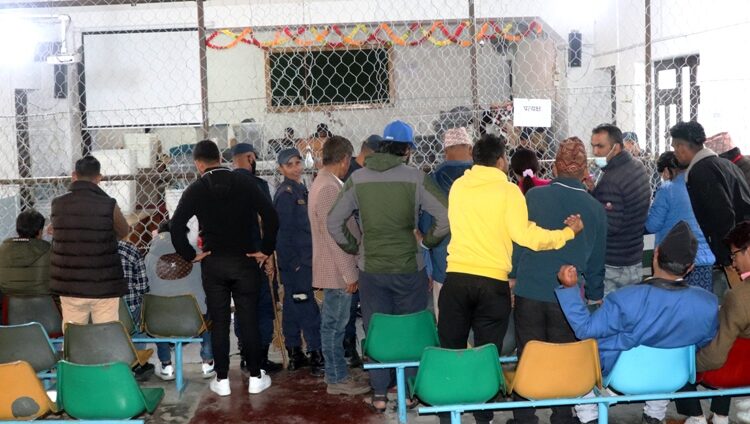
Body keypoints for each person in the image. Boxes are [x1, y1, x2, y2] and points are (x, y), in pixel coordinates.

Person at [437, 133, 582, 424]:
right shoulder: (508, 192)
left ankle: (446, 416)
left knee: (451, 351)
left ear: (475, 157)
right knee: (487, 352)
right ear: (502, 160)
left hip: (456, 280)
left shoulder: (458, 187)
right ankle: (484, 416)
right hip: (491, 284)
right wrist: (566, 234)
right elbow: (525, 236)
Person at [327, 120, 449, 412]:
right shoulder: (417, 178)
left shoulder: (358, 179)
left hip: (372, 270)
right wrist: (427, 241)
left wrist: (355, 247)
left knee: (377, 329)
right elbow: (446, 216)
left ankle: (380, 394)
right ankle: (408, 392)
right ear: (406, 150)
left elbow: (333, 221)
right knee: (411, 329)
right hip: (409, 268)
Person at [556, 222, 719, 424]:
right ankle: (654, 415)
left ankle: (589, 417)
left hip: (623, 376)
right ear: (691, 267)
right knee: (668, 350)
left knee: (582, 355)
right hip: (673, 376)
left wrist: (569, 289)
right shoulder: (708, 303)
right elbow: (704, 341)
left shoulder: (627, 298)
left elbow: (584, 329)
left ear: (656, 254)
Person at [508, 137, 606, 424]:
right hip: (568, 295)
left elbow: (519, 243)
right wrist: (595, 295)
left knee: (528, 353)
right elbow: (597, 262)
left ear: (554, 167)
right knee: (564, 357)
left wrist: (513, 276)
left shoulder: (533, 198)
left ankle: (524, 416)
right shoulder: (595, 208)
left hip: (529, 289)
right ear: (585, 171)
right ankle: (561, 415)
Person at [171, 139, 278, 396]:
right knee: (248, 317)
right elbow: (271, 216)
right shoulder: (244, 183)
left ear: (198, 164)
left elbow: (176, 226)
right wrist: (265, 249)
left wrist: (190, 254)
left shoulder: (196, 189)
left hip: (214, 262)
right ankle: (256, 376)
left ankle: (221, 380)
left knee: (219, 321)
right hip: (245, 260)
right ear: (220, 158)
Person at [308, 135, 370, 395]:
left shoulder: (324, 182)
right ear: (345, 159)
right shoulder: (329, 188)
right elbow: (334, 235)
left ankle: (336, 374)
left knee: (333, 325)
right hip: (336, 270)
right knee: (334, 327)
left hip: (334, 268)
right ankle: (336, 379)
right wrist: (348, 273)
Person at [674, 221, 750, 424]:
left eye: (734, 255)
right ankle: (720, 416)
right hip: (744, 365)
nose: (733, 263)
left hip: (732, 372)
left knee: (679, 358)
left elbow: (716, 356)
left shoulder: (738, 296)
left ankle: (695, 416)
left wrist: (691, 363)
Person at [50, 156, 130, 326]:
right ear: (99, 178)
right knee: (106, 332)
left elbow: (55, 231)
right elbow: (124, 230)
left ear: (74, 175)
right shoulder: (108, 204)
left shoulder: (58, 204)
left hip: (70, 285)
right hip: (104, 285)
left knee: (74, 333)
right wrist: (104, 238)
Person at [669, 121, 750, 285]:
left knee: (742, 296)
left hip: (739, 253)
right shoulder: (726, 164)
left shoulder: (701, 170)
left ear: (682, 146)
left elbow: (723, 215)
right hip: (744, 247)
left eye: (675, 146)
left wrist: (729, 256)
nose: (675, 152)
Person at [231, 143, 282, 374]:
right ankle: (260, 357)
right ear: (251, 158)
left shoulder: (224, 184)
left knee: (242, 307)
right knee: (263, 306)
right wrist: (268, 253)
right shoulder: (258, 185)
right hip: (257, 255)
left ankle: (245, 353)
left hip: (232, 257)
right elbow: (267, 222)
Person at [274, 148, 324, 376]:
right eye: (290, 165)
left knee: (294, 306)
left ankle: (295, 352)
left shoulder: (300, 189)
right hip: (296, 262)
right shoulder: (286, 194)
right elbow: (283, 234)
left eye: (297, 163)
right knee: (307, 306)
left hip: (301, 260)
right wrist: (293, 262)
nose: (296, 168)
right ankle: (316, 353)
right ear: (281, 168)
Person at [146, 220, 215, 381]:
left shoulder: (149, 258)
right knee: (207, 308)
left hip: (160, 322)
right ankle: (208, 361)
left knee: (157, 309)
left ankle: (166, 365)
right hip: (193, 319)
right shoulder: (197, 253)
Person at [419, 127, 473, 320]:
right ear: (470, 148)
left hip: (444, 262)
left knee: (447, 323)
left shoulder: (432, 180)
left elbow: (426, 225)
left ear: (445, 151)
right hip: (480, 264)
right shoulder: (483, 177)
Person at [590, 123, 651, 296]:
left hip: (614, 263)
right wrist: (595, 193)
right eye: (593, 146)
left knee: (610, 310)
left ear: (616, 147)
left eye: (600, 146)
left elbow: (609, 226)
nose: (595, 152)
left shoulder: (612, 180)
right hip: (634, 255)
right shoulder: (637, 166)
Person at [646, 151, 715, 291]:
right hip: (704, 258)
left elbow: (652, 225)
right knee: (700, 300)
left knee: (672, 301)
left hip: (675, 263)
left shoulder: (667, 189)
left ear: (667, 171)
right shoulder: (702, 185)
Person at [117, 238, 156, 380]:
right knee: (139, 324)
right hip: (129, 306)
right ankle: (138, 364)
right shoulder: (130, 249)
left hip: (99, 308)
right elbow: (142, 286)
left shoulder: (91, 250)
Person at [0, 209, 52, 297]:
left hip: (9, 300)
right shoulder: (49, 251)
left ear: (17, 230)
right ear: (40, 231)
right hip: (44, 300)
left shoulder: (2, 250)